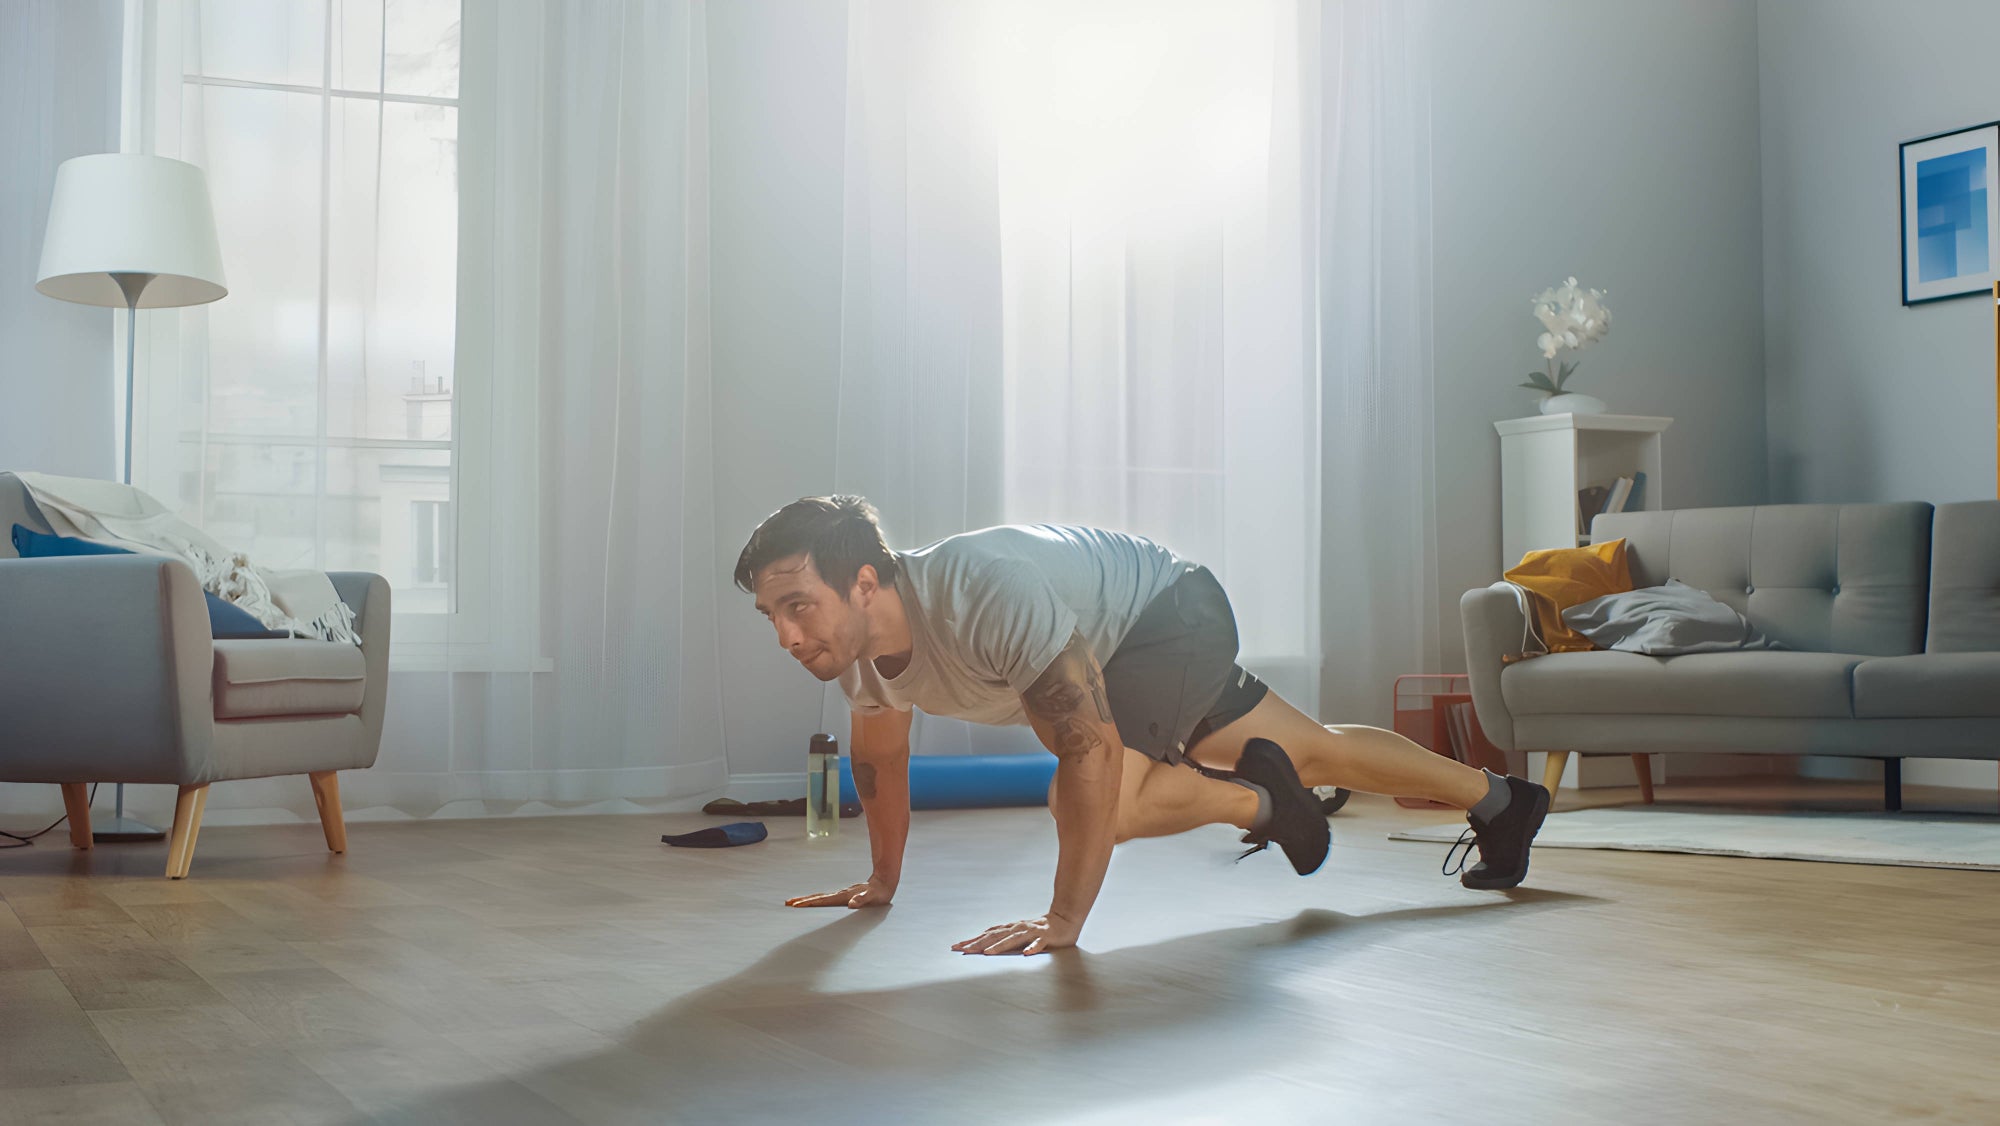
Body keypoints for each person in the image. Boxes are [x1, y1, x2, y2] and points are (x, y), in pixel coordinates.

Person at [735, 496, 1548, 956]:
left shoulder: (978, 596)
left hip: (1163, 615)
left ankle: (1268, 802)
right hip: (1123, 634)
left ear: (866, 584)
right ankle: (1502, 800)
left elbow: (1088, 755)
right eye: (772, 614)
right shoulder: (853, 654)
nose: (787, 636)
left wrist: (1065, 920)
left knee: (1093, 800)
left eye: (798, 605)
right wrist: (883, 880)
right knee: (1313, 749)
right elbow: (881, 762)